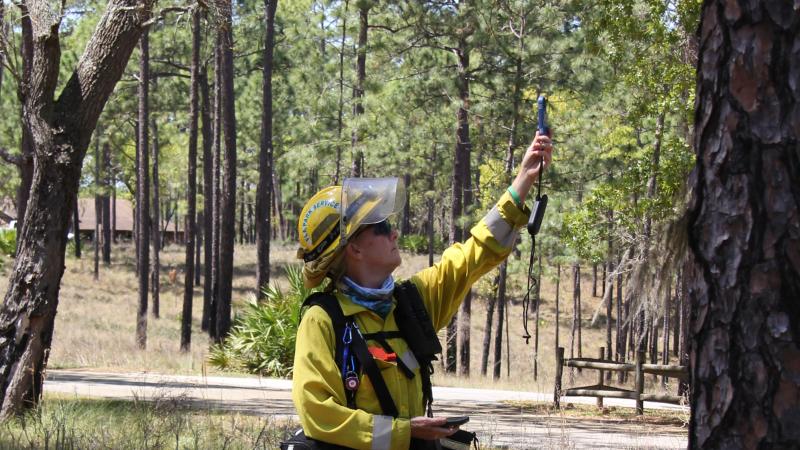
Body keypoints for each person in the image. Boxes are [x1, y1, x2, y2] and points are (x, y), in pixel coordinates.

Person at [291, 132, 553, 449]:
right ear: (355, 249)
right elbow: (318, 415)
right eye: (383, 227)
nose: (395, 233)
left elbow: (474, 255)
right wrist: (405, 432)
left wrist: (523, 180)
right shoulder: (322, 321)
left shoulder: (413, 302)